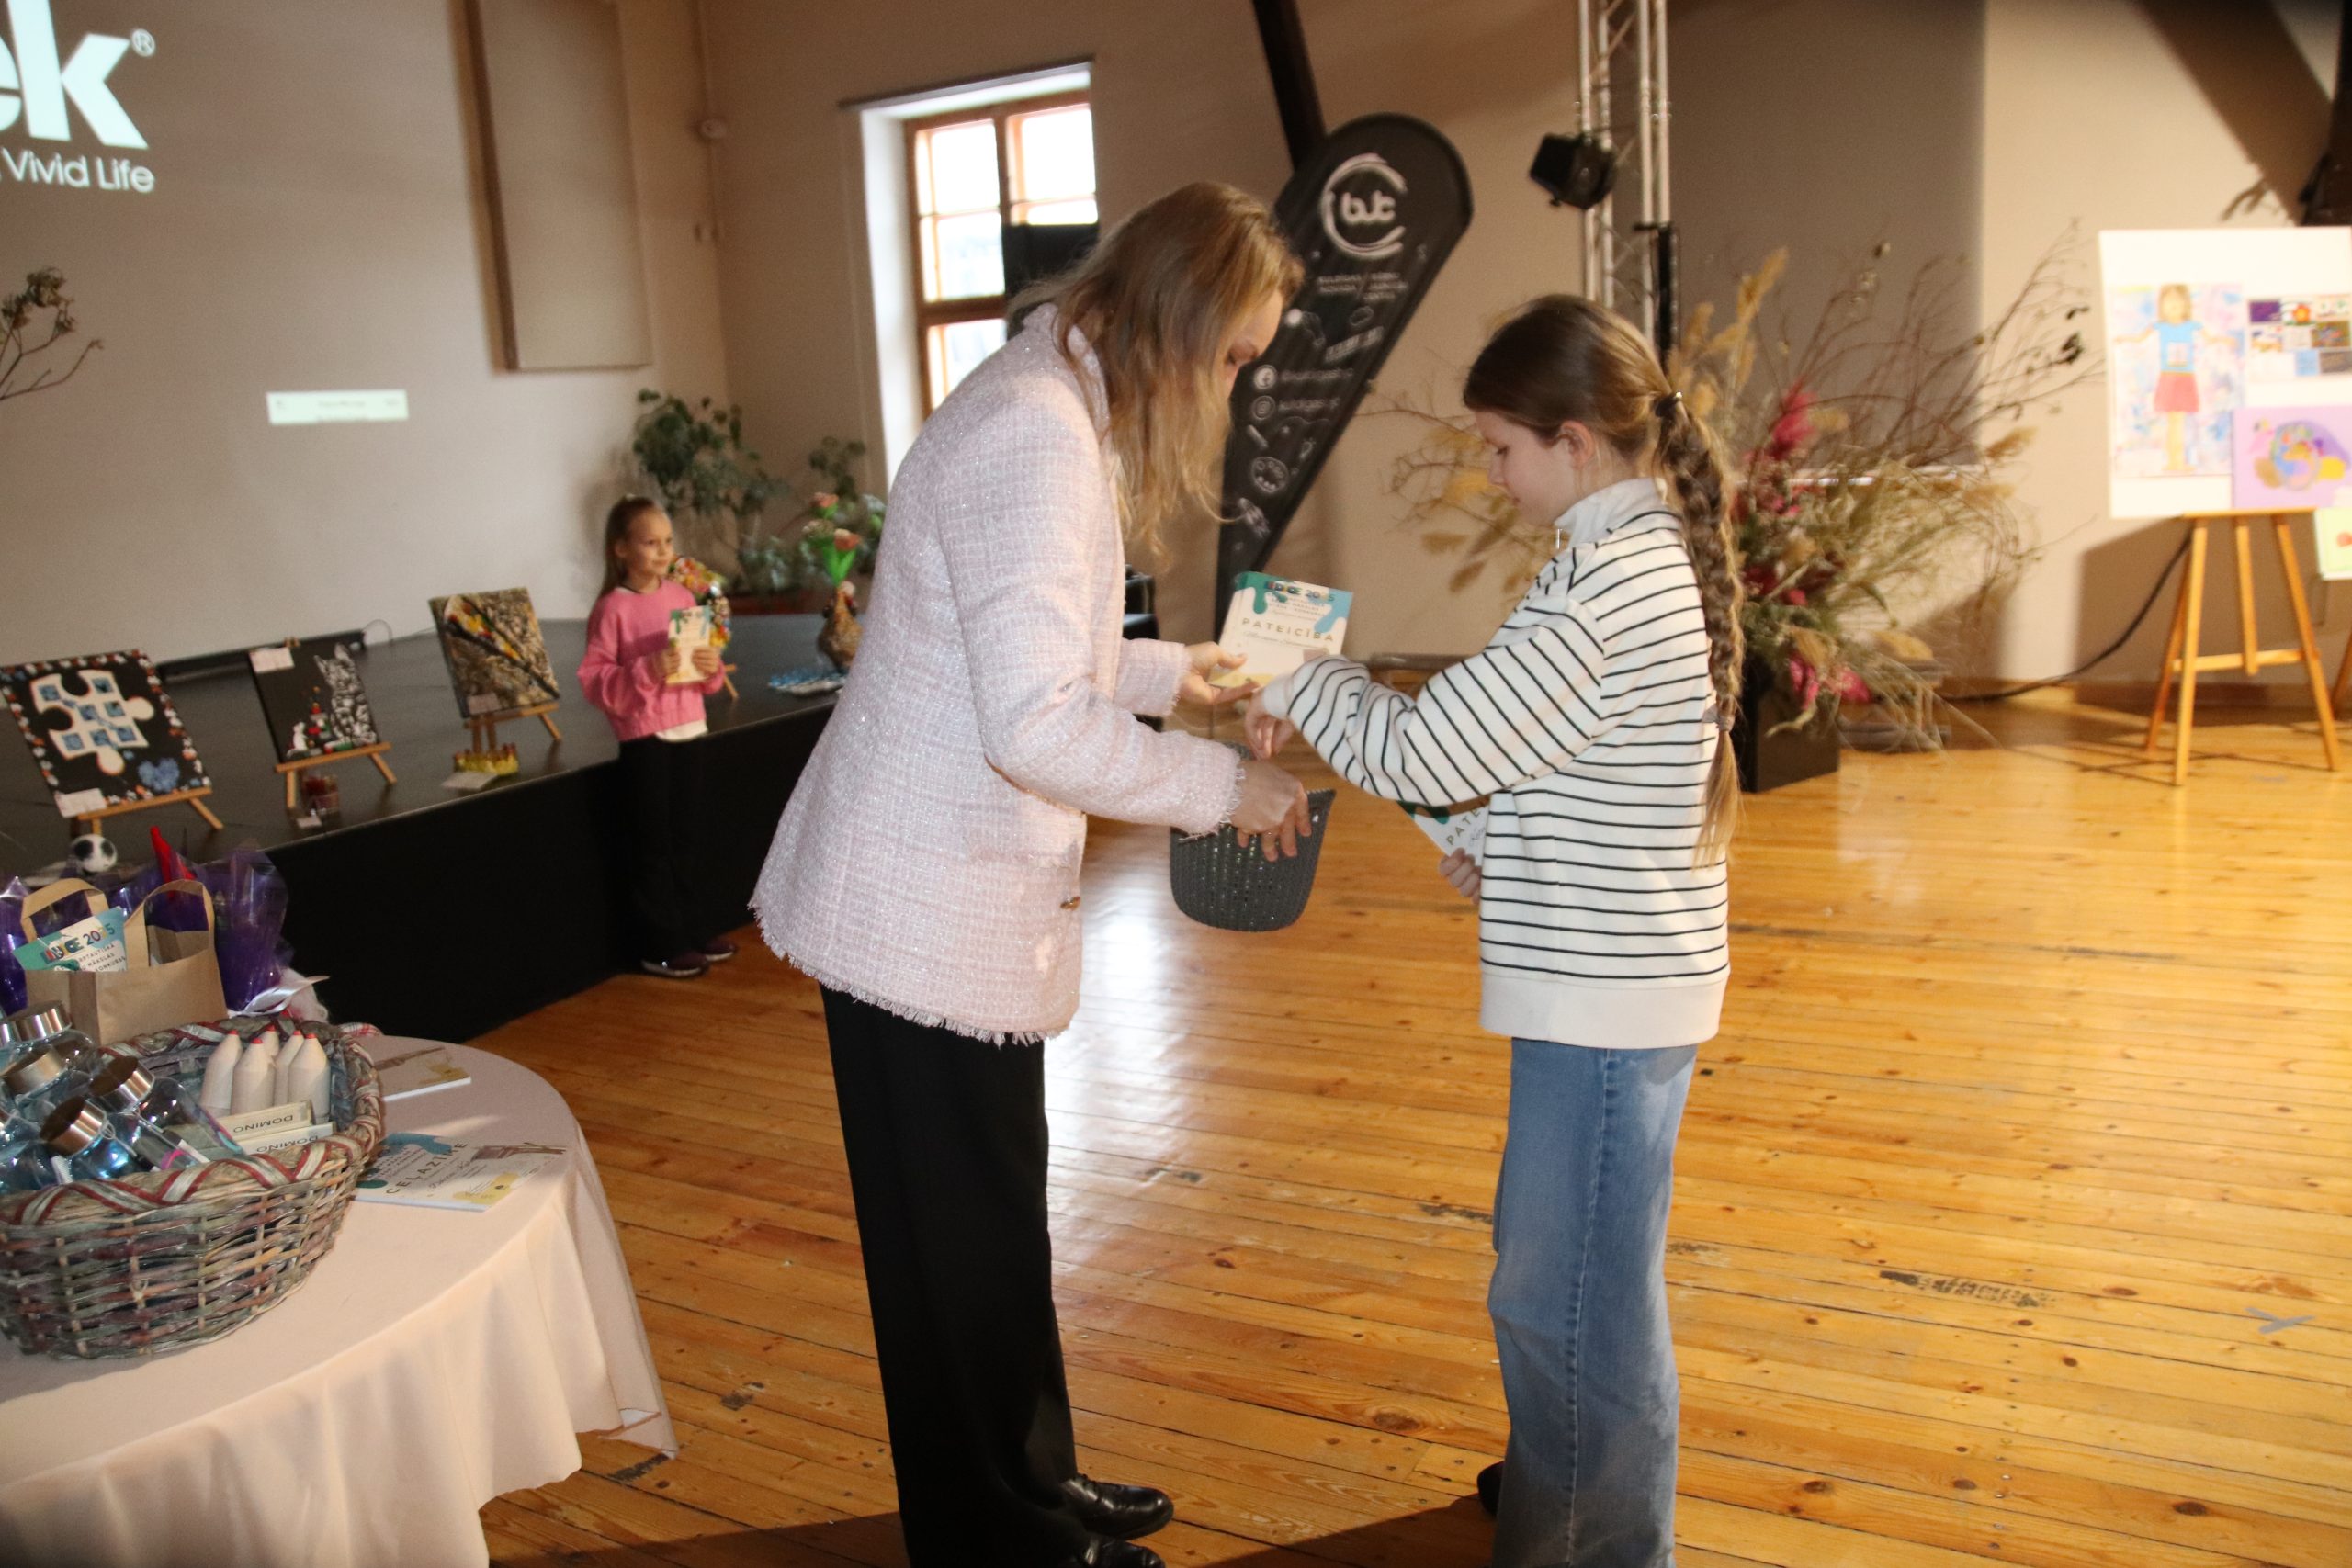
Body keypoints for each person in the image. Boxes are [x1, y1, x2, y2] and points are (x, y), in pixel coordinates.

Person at [752, 182, 1315, 1568]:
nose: (1233, 388)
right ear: (1179, 319)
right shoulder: (1036, 434)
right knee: (961, 1241)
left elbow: (1023, 646)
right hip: (917, 908)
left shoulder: (1049, 389)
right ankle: (1001, 1536)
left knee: (985, 1224)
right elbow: (1035, 724)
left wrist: (1175, 676)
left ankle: (1029, 1483)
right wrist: (1226, 788)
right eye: (1236, 356)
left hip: (933, 894)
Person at [1245, 294, 1742, 1567]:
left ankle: (1591, 1541)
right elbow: (1537, 759)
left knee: (1565, 1301)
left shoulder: (1605, 588)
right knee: (1575, 1280)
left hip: (1604, 1003)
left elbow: (1430, 748)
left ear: (1574, 441)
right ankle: (1567, 1485)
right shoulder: (1618, 557)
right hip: (1609, 981)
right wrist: (1501, 840)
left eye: (1501, 447)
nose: (1490, 471)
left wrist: (1292, 669)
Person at [578, 497, 734, 980]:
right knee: (653, 844)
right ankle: (660, 944)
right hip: (647, 736)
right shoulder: (612, 609)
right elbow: (595, 681)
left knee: (687, 837)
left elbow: (702, 672)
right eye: (651, 542)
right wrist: (648, 668)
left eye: (667, 541)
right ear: (621, 549)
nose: (664, 551)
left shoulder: (682, 598)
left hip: (690, 727)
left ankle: (692, 929)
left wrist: (708, 667)